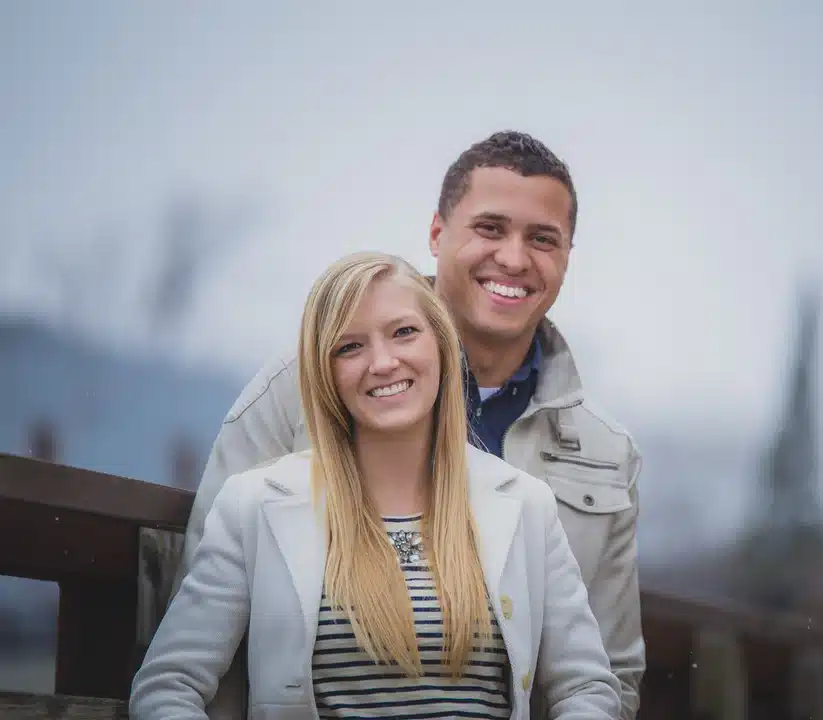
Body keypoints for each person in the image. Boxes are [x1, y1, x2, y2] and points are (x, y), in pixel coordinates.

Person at [175, 131, 645, 718]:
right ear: (436, 235)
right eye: (491, 228)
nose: (515, 259)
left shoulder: (603, 454)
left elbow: (608, 674)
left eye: (543, 239)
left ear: (568, 256)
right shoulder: (296, 388)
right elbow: (199, 636)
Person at [132, 253, 620, 719]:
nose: (383, 362)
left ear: (441, 345)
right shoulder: (254, 506)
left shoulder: (526, 505)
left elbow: (587, 688)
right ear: (325, 373)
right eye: (351, 346)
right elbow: (167, 687)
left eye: (404, 333)